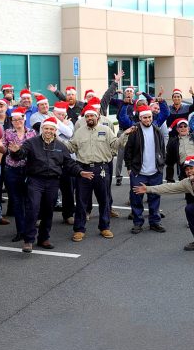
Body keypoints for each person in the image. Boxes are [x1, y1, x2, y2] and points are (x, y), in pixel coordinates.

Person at [9, 117, 94, 252]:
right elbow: (21, 154)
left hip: (53, 182)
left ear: (55, 130)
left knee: (48, 211)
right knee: (33, 209)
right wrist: (15, 152)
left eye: (51, 129)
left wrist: (80, 172)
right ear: (42, 128)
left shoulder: (61, 146)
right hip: (35, 180)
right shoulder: (31, 142)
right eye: (46, 128)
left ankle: (44, 238)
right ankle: (28, 240)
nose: (48, 131)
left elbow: (69, 163)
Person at [62, 106, 135, 242]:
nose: (90, 118)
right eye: (87, 116)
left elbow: (116, 144)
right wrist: (57, 140)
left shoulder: (106, 130)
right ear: (85, 118)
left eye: (92, 116)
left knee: (104, 199)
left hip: (101, 169)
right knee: (81, 201)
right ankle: (79, 229)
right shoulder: (79, 132)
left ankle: (104, 227)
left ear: (97, 117)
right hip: (83, 170)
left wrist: (125, 134)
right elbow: (71, 147)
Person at [133, 155, 194, 251]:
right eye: (187, 169)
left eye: (191, 168)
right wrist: (148, 189)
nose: (189, 171)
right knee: (190, 209)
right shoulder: (187, 183)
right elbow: (169, 187)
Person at [124, 105, 166, 234]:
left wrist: (161, 165)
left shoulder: (157, 130)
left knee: (154, 198)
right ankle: (138, 223)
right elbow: (128, 151)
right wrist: (129, 167)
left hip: (155, 172)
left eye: (149, 117)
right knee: (136, 199)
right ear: (140, 118)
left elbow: (162, 150)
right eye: (145, 118)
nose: (148, 120)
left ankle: (155, 222)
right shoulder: (134, 131)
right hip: (138, 172)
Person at [0, 107, 36, 242]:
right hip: (12, 170)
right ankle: (20, 231)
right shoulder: (7, 132)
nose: (17, 122)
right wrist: (0, 146)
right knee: (16, 201)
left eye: (20, 119)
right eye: (14, 120)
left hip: (28, 170)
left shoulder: (32, 133)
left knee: (29, 201)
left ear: (24, 119)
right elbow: (3, 150)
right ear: (11, 121)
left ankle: (29, 229)